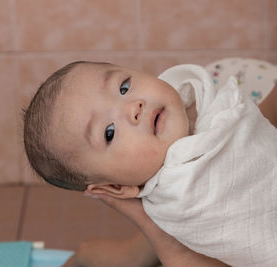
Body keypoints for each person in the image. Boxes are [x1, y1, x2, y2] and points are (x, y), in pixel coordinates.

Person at [23, 58, 277, 266]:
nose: (134, 106)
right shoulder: (184, 198)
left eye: (123, 87)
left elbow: (253, 141)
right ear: (115, 188)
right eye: (109, 132)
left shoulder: (201, 101)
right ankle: (91, 258)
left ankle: (99, 256)